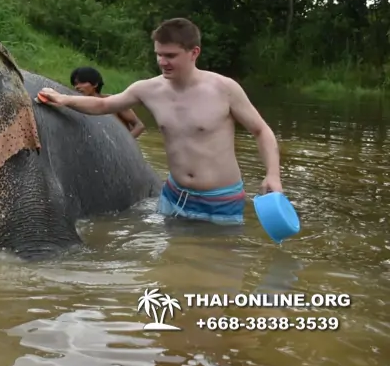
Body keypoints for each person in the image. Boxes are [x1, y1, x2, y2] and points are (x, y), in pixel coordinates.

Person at [38, 18, 283, 226]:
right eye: (159, 55)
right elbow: (103, 105)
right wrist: (64, 99)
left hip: (220, 201)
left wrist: (273, 175)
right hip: (174, 196)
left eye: (171, 56)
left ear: (194, 52)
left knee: (220, 270)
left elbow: (261, 130)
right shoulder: (148, 89)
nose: (162, 62)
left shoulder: (225, 89)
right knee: (169, 266)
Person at [69, 66, 145, 139]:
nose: (77, 87)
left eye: (82, 82)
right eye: (75, 84)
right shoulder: (79, 105)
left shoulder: (114, 101)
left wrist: (123, 144)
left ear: (95, 84)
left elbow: (139, 126)